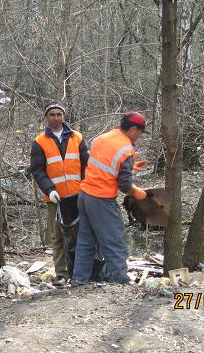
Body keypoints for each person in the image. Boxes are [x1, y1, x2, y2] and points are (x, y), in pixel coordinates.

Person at [71, 111, 150, 285]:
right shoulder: (126, 149)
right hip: (101, 199)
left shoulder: (102, 138)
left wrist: (129, 167)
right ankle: (120, 282)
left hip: (84, 195)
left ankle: (78, 280)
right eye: (140, 132)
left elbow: (103, 162)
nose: (140, 136)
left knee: (85, 241)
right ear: (134, 129)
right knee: (115, 242)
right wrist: (137, 192)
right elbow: (124, 185)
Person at [30, 101, 89, 287]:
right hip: (56, 197)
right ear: (46, 117)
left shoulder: (77, 137)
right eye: (52, 115)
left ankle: (80, 272)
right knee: (57, 237)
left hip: (78, 195)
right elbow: (38, 170)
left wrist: (86, 187)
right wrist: (49, 190)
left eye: (59, 114)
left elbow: (87, 165)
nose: (56, 118)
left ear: (63, 116)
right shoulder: (39, 141)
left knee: (82, 234)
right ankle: (61, 274)